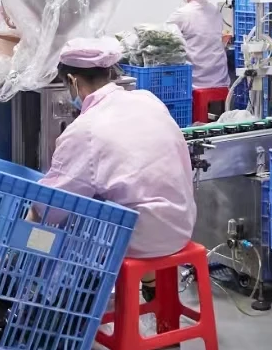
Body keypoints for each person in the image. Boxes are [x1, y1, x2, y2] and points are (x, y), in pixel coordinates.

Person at [38, 37, 197, 259]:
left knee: (59, 228)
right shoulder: (147, 99)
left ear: (73, 81)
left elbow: (50, 208)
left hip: (139, 237)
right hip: (181, 225)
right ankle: (149, 278)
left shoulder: (85, 130)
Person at [166, 0, 229, 89]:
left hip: (194, 82)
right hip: (220, 80)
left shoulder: (182, 13)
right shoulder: (215, 10)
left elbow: (165, 39)